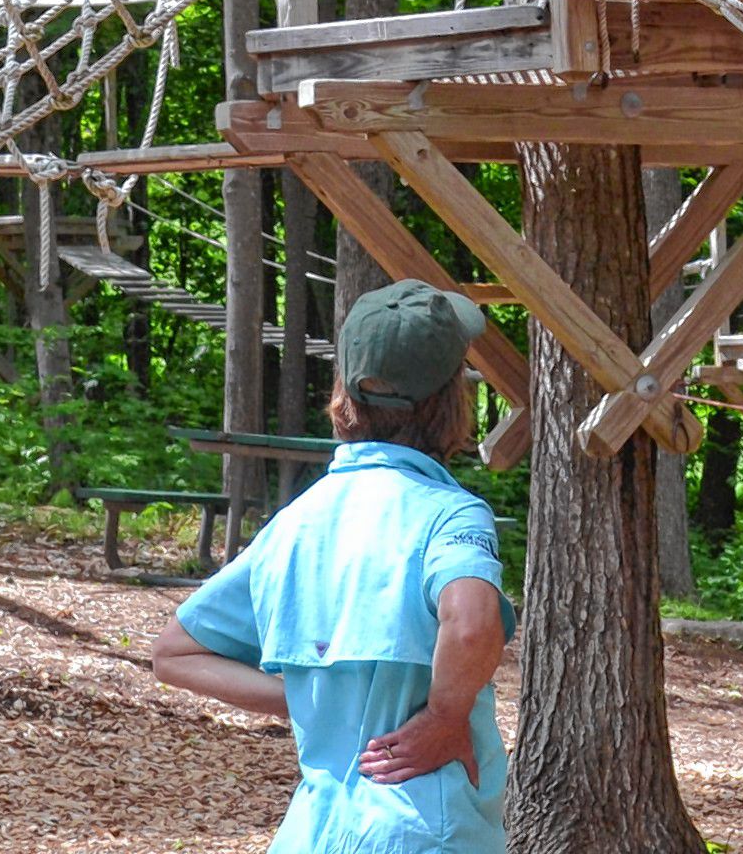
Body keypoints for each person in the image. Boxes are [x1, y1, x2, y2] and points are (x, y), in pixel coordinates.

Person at [152, 279, 515, 851]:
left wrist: (303, 695)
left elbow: (174, 653)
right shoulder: (450, 515)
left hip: (313, 832)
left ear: (345, 390)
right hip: (422, 831)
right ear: (452, 399)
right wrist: (446, 718)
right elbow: (470, 623)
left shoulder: (296, 521)